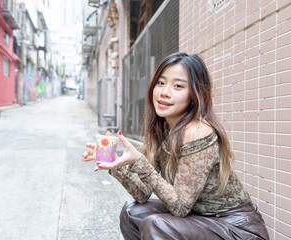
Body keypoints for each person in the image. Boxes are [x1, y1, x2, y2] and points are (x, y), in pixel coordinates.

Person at [82, 52, 269, 240]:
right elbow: (142, 194)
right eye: (161, 83)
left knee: (156, 225)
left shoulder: (198, 131)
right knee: (132, 213)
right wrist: (116, 164)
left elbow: (180, 207)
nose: (164, 91)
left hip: (237, 229)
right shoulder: (162, 130)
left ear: (194, 95)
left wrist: (140, 162)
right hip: (200, 219)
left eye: (178, 86)